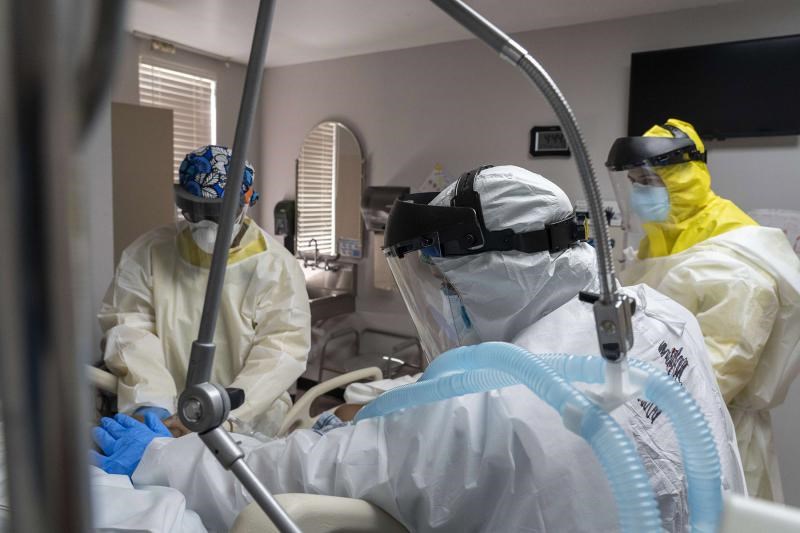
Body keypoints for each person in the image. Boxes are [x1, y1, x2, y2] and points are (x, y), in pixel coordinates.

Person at [93, 166, 744, 532]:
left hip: (223, 434)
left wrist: (163, 459)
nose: (444, 304)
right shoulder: (657, 317)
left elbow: (293, 475)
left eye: (446, 286)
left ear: (489, 274)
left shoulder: (485, 408)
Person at [606, 118, 800, 502]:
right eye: (633, 182)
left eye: (649, 181)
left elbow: (712, 380)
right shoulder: (660, 242)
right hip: (652, 427)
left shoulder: (736, 262)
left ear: (685, 180)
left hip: (713, 439)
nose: (639, 192)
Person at [99, 145, 311, 438]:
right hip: (166, 413)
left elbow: (281, 351)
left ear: (246, 202)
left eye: (218, 212)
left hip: (246, 419)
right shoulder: (148, 253)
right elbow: (130, 330)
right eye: (195, 210)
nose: (206, 224)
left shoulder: (276, 267)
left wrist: (222, 412)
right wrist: (154, 404)